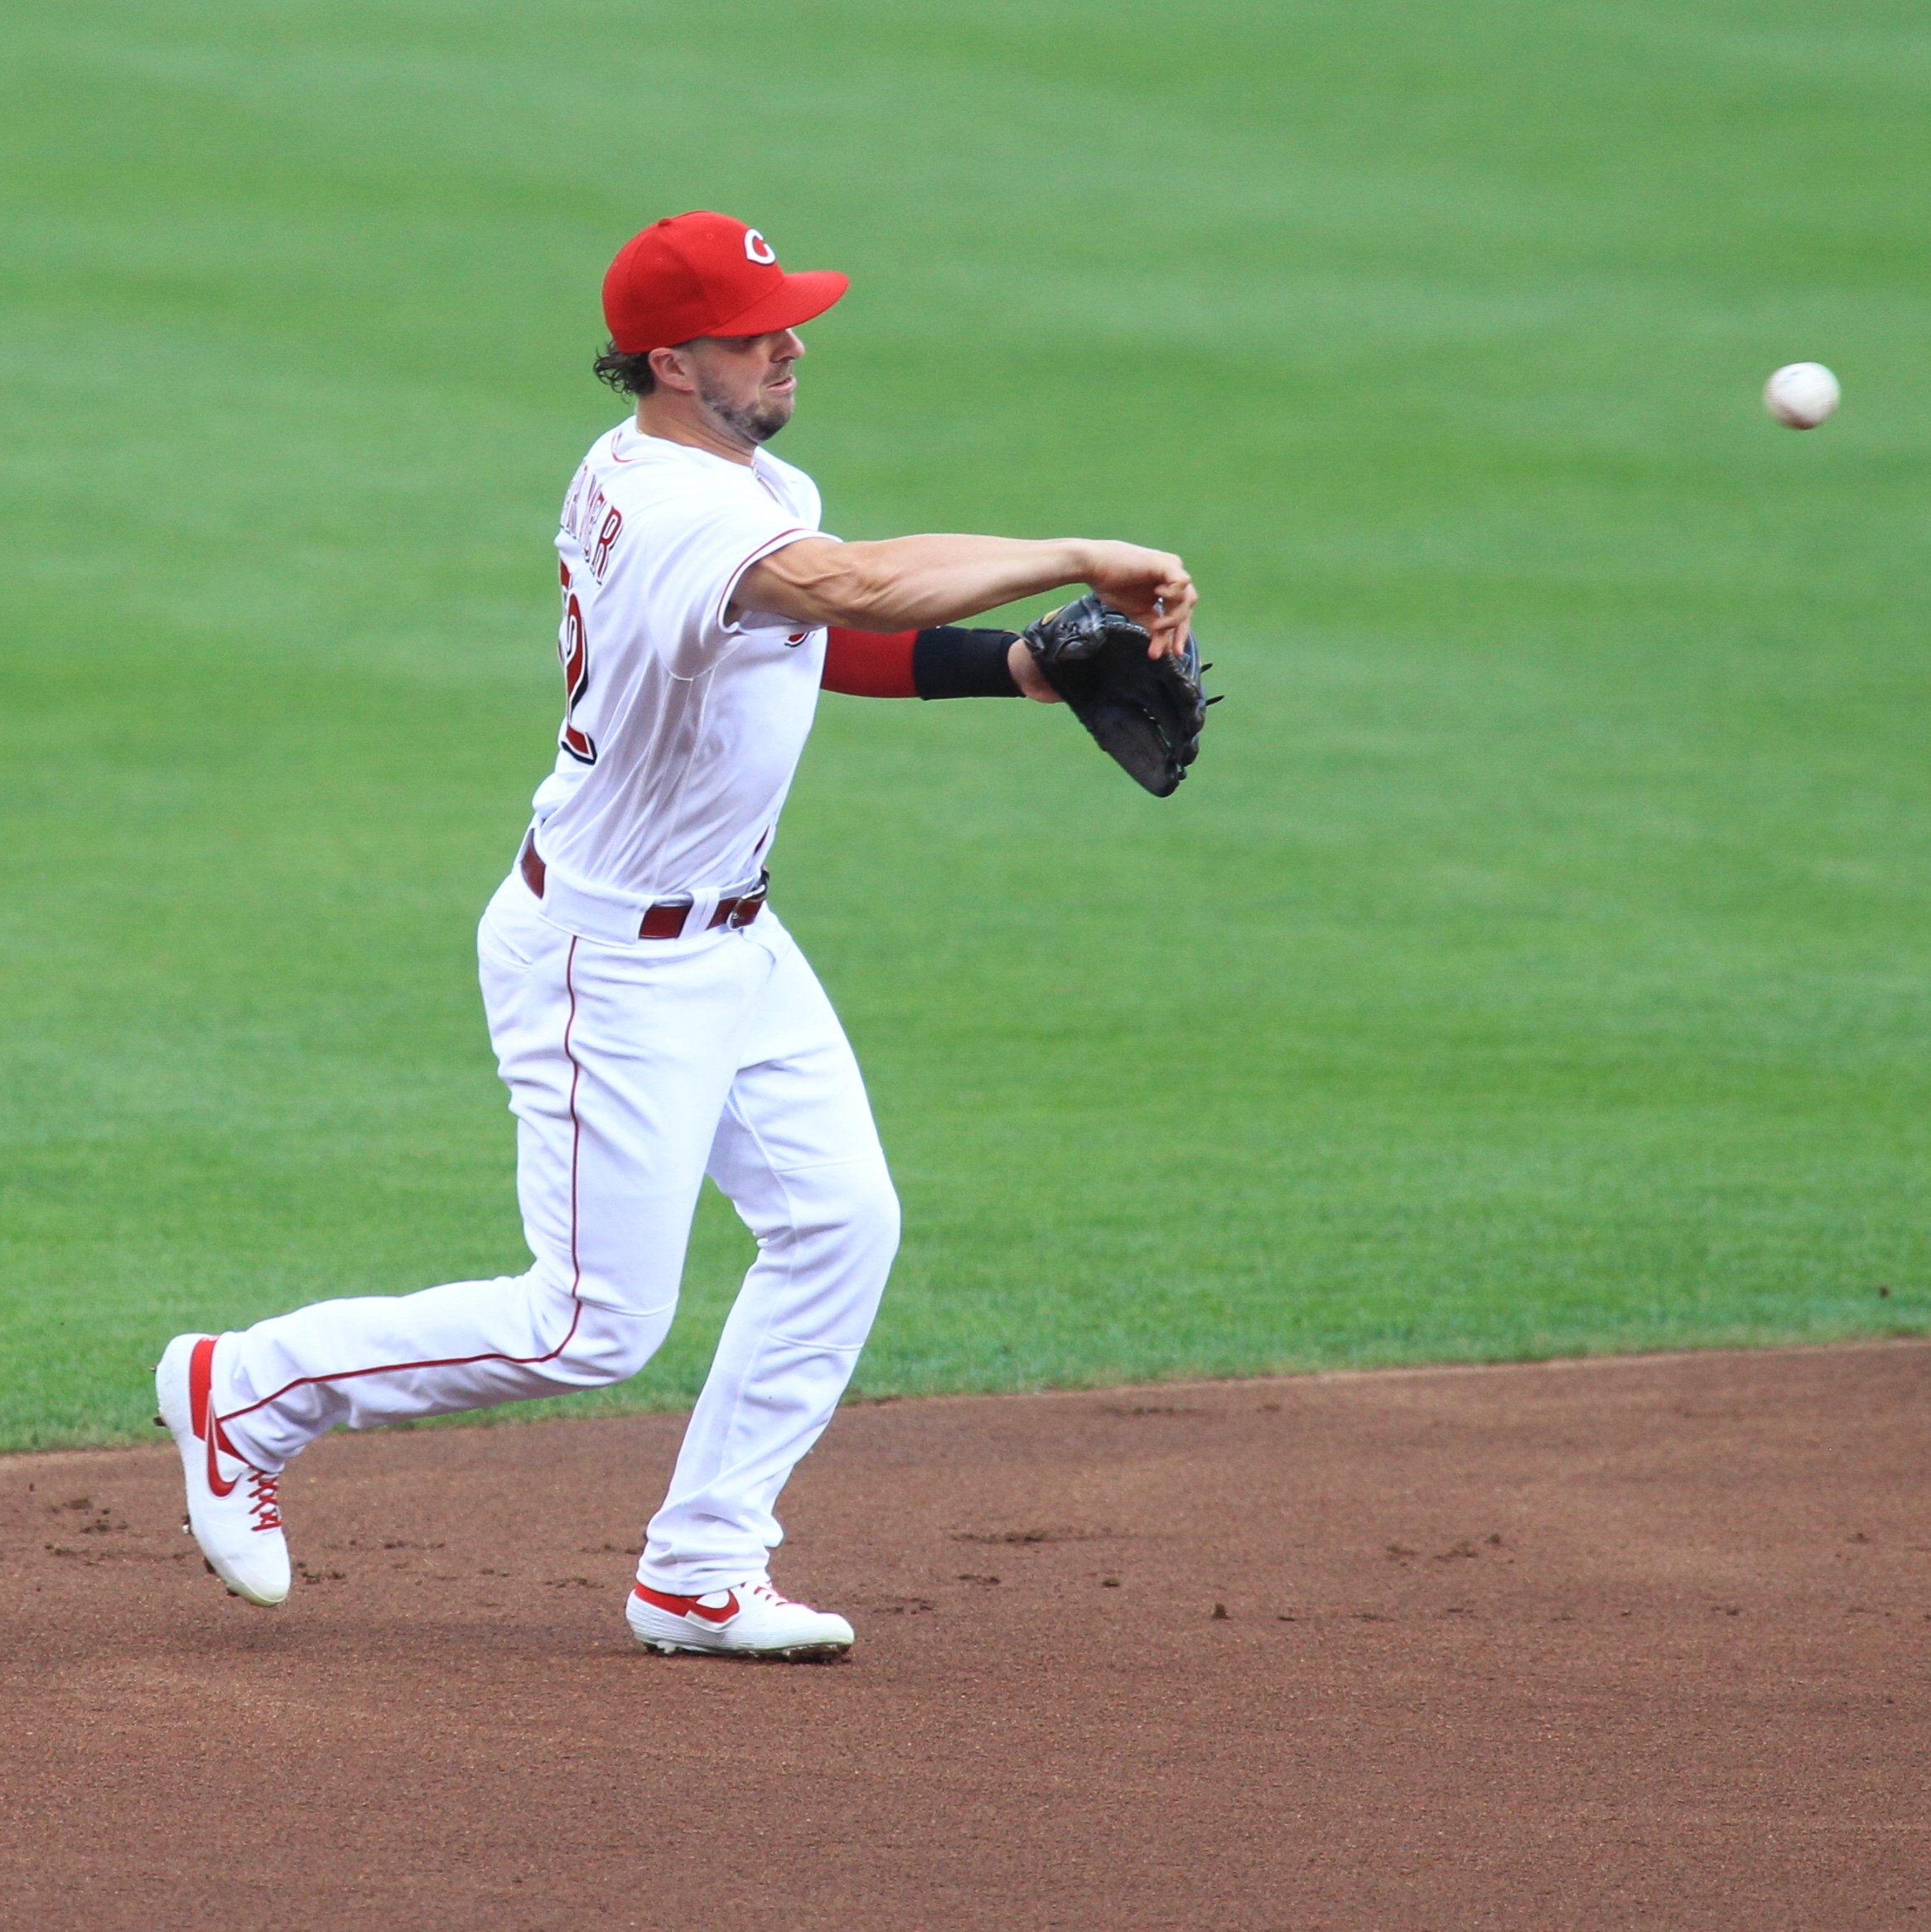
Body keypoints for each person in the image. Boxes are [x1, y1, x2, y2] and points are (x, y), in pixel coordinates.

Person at [157, 210, 1195, 1660]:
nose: (792, 345)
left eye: (790, 320)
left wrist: (1015, 668)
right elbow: (846, 585)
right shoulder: (662, 503)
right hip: (608, 962)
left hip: (735, 942)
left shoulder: (747, 481)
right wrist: (1077, 554)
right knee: (588, 1327)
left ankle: (702, 1566)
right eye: (753, 333)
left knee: (840, 1224)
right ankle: (248, 1390)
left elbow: (817, 634)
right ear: (665, 361)